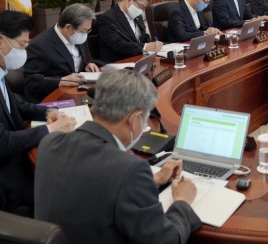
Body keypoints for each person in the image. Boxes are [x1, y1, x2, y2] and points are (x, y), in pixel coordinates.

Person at [34, 68, 201, 243]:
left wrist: (153, 180)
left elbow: (94, 189)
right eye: (145, 120)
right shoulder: (130, 169)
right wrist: (182, 202)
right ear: (135, 119)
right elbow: (167, 240)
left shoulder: (50, 143)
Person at [0, 11, 76, 214]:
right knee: (67, 190)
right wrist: (50, 129)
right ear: (0, 41)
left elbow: (13, 106)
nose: (25, 50)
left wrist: (47, 113)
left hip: (14, 158)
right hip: (1, 176)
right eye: (22, 45)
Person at [24, 4, 100, 102]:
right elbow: (30, 83)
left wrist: (88, 64)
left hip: (79, 91)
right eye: (84, 31)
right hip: (55, 98)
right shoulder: (39, 45)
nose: (85, 35)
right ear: (68, 27)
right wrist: (60, 81)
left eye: (88, 31)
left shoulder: (78, 36)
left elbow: (80, 60)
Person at [98, 0, 162, 63]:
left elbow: (143, 36)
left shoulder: (137, 16)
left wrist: (153, 44)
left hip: (138, 59)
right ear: (129, 0)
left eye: (143, 8)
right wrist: (146, 46)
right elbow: (118, 44)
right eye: (141, 6)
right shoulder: (108, 18)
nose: (141, 10)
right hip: (118, 63)